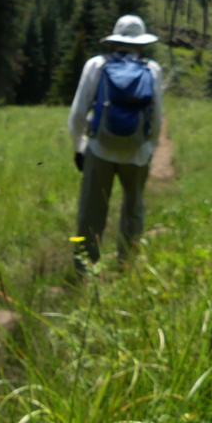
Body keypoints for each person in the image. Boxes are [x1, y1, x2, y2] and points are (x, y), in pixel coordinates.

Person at [67, 14, 163, 273]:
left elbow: (77, 113)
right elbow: (157, 117)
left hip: (100, 150)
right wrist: (150, 148)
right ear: (141, 44)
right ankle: (126, 265)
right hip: (137, 153)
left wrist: (79, 147)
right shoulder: (152, 69)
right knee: (133, 210)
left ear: (114, 42)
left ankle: (85, 268)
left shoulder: (96, 65)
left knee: (91, 211)